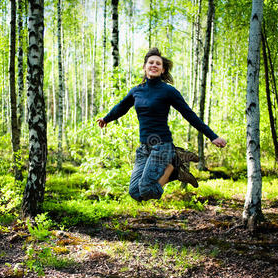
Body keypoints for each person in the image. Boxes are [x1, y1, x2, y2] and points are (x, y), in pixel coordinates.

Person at [96, 47, 226, 201]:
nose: (154, 65)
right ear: (144, 67)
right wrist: (106, 119)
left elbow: (189, 115)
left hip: (162, 146)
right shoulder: (136, 91)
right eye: (150, 62)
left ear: (163, 70)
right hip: (144, 148)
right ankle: (175, 169)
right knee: (135, 192)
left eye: (158, 63)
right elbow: (121, 107)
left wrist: (212, 136)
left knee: (146, 188)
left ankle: (174, 168)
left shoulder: (168, 91)